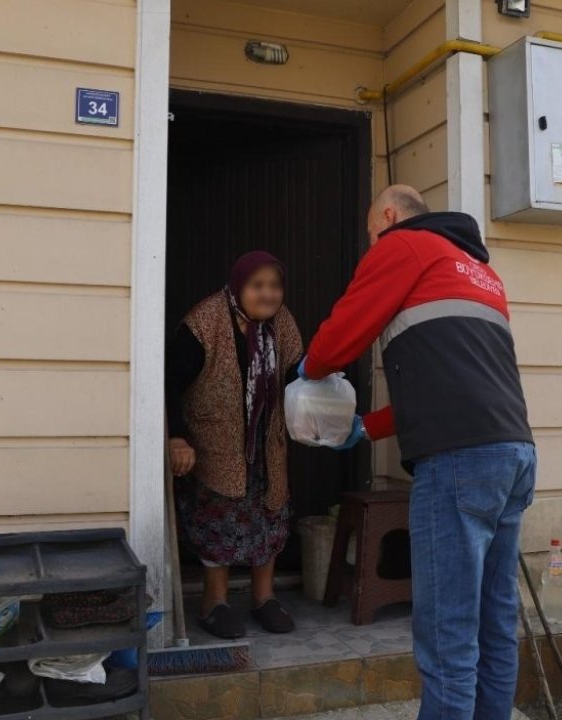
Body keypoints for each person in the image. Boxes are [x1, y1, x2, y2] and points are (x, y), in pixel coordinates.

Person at [300, 186, 535, 719]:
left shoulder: (402, 246)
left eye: (369, 235)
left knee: (447, 632)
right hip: (513, 453)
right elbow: (455, 384)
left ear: (387, 216)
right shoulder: (480, 272)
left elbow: (339, 339)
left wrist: (309, 370)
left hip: (459, 463)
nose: (370, 247)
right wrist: (367, 428)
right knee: (494, 624)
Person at [165, 251, 303, 639]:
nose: (268, 294)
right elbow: (169, 381)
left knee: (269, 516)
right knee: (219, 523)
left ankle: (264, 599)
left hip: (266, 443)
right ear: (239, 286)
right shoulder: (206, 321)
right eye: (257, 285)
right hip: (214, 444)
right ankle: (215, 603)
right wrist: (176, 437)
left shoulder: (283, 323)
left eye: (274, 286)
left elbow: (296, 371)